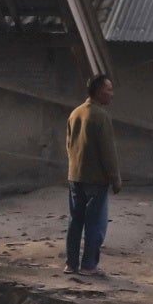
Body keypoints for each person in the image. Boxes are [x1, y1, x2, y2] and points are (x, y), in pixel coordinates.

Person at [63, 73, 120, 278]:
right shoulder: (101, 116)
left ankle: (71, 264)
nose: (111, 94)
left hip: (74, 176)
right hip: (96, 180)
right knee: (95, 223)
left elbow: (69, 145)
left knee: (75, 221)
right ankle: (89, 265)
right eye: (109, 89)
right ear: (98, 91)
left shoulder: (75, 113)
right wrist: (115, 178)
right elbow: (108, 151)